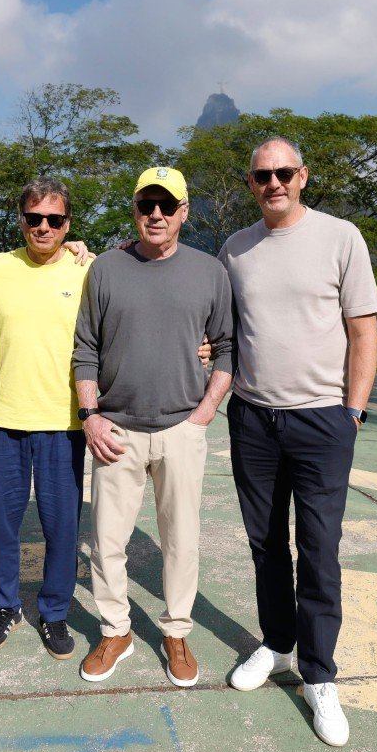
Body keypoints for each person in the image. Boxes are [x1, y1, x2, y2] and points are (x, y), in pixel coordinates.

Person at [219, 137, 377, 746]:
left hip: (322, 421)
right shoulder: (235, 249)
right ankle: (277, 643)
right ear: (251, 183)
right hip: (253, 419)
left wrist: (352, 413)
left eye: (284, 172)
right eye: (263, 175)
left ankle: (319, 674)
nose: (274, 183)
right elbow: (223, 327)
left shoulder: (341, 238)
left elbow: (363, 332)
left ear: (303, 176)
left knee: (318, 549)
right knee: (265, 543)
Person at [72, 166, 234, 688]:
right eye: (147, 205)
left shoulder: (209, 271)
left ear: (184, 211)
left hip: (181, 427)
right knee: (107, 540)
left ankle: (176, 631)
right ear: (135, 209)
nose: (157, 215)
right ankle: (115, 630)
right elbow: (85, 349)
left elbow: (227, 347)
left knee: (182, 540)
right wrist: (90, 416)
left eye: (167, 205)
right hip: (115, 429)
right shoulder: (106, 269)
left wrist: (204, 412)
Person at [0, 177, 90, 660]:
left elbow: (134, 308)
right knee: (2, 525)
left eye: (54, 219)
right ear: (21, 220)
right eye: (34, 217)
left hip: (65, 424)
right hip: (3, 421)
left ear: (67, 225)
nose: (43, 227)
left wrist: (199, 344)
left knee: (62, 528)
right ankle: (5, 607)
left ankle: (54, 612)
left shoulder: (87, 269)